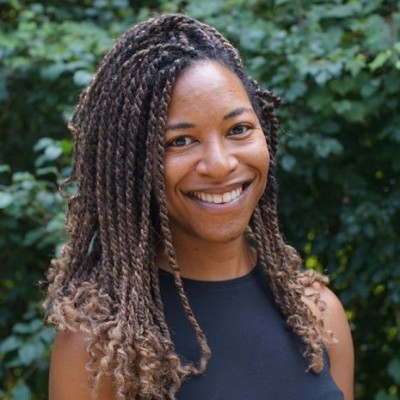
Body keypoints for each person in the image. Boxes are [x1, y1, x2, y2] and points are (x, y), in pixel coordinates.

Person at [46, 13, 354, 400]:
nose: (221, 164)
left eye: (238, 130)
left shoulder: (318, 313)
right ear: (132, 164)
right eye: (180, 141)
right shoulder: (102, 340)